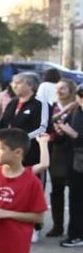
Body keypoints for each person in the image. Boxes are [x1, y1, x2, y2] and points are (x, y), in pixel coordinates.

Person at [0, 71, 48, 253]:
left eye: (18, 83)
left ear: (30, 85)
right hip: (7, 161)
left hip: (29, 159)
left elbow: (43, 128)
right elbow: (2, 126)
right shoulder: (12, 103)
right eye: (14, 82)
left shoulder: (40, 105)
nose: (14, 86)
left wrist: (16, 142)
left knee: (14, 251)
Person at [51, 87, 83, 248]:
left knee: (77, 199)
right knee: (75, 198)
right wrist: (61, 132)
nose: (81, 99)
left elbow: (75, 134)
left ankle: (76, 235)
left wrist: (75, 135)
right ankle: (76, 234)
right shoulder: (75, 112)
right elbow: (63, 135)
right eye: (80, 96)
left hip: (78, 161)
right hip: (74, 163)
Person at [45, 79, 76, 237]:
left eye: (63, 88)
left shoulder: (78, 107)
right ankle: (57, 226)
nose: (59, 91)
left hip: (74, 151)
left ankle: (75, 227)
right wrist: (63, 113)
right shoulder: (51, 107)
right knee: (57, 190)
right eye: (57, 88)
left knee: (75, 192)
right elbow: (46, 123)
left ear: (71, 90)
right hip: (56, 152)